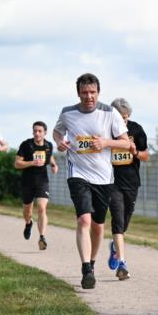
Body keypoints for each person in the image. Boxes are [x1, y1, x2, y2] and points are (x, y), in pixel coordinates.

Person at [53, 73, 129, 289]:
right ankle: (86, 268)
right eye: (85, 93)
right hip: (77, 173)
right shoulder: (68, 113)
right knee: (84, 220)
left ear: (98, 92)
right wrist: (60, 142)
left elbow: (125, 144)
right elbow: (57, 131)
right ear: (78, 93)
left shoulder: (109, 112)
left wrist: (105, 142)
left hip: (104, 177)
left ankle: (92, 263)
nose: (89, 97)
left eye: (92, 92)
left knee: (98, 226)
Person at [107, 98, 149, 280]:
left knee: (125, 221)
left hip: (131, 182)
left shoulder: (136, 129)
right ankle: (122, 263)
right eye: (120, 117)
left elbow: (146, 155)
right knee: (117, 218)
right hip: (111, 181)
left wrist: (136, 153)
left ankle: (115, 247)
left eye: (126, 117)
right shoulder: (105, 130)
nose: (123, 121)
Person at [15, 121, 58, 250]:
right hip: (27, 181)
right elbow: (17, 163)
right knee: (27, 211)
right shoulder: (26, 145)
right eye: (35, 131)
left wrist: (54, 165)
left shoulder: (49, 146)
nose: (37, 133)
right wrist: (32, 163)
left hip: (42, 181)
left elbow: (50, 158)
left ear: (45, 133)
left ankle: (42, 237)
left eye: (39, 131)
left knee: (41, 207)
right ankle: (28, 223)